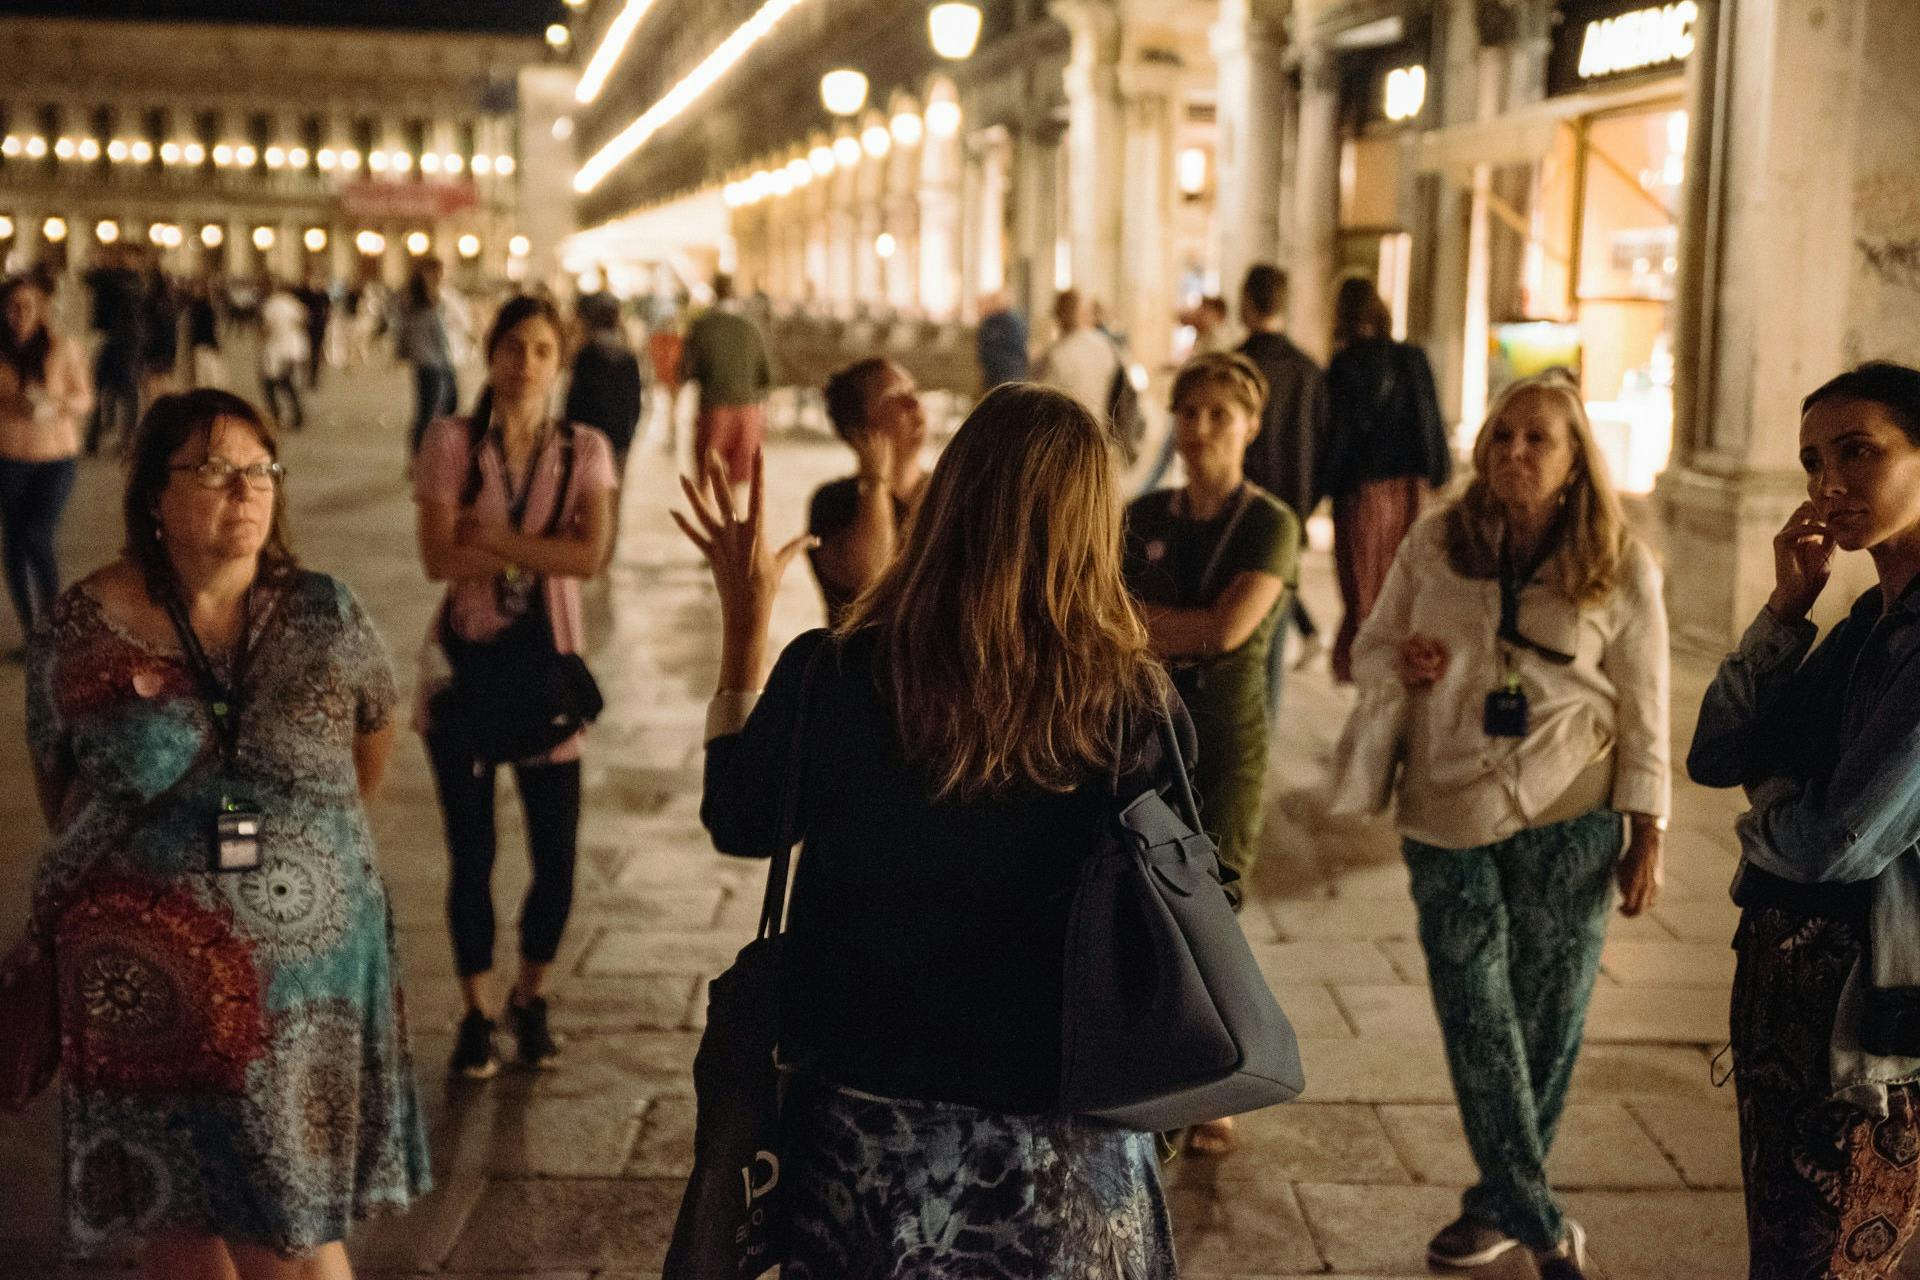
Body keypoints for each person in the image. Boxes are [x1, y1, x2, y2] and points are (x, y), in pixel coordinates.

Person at [679, 382, 1184, 1278]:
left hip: (870, 1147)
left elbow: (739, 820)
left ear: (950, 500)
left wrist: (746, 631)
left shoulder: (836, 674)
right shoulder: (1133, 702)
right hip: (1070, 1152)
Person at [24, 388, 430, 1278]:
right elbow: (62, 796)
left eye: (259, 471)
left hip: (305, 996)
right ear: (153, 496)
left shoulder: (326, 612)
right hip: (147, 990)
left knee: (290, 1228)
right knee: (177, 1226)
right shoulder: (81, 626)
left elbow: (368, 758)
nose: (244, 491)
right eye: (213, 471)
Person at [1349, 372, 1668, 1279]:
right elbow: (1370, 645)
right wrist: (1401, 660)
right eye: (1502, 437)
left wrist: (1649, 829)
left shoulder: (1618, 559)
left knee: (1545, 1023)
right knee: (1478, 1016)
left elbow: (1648, 703)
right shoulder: (1435, 540)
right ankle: (1540, 1221)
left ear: (1574, 465)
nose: (1515, 453)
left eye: (1539, 440)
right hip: (1446, 807)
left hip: (1573, 812)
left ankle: (1499, 1203)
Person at [1688, 362, 1920, 1278]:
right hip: (1792, 999)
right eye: (1813, 461)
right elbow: (1716, 756)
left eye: (1859, 452)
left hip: (1872, 1022)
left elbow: (1838, 841)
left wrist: (1774, 801)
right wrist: (1788, 606)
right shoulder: (1869, 615)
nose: (1829, 484)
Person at [413, 295, 618, 1080]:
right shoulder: (450, 442)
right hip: (461, 674)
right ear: (490, 354)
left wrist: (493, 540)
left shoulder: (586, 448)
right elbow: (437, 558)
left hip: (546, 675)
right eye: (511, 347)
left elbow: (591, 557)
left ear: (558, 360)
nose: (524, 363)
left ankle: (530, 995)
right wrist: (541, 547)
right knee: (472, 855)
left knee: (557, 859)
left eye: (539, 349)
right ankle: (476, 1010)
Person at [1122, 352, 1299, 1145]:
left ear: (1250, 426)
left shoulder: (1268, 523)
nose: (1198, 431)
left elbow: (1229, 630)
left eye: (1218, 416)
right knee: (1137, 893)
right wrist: (1169, 633)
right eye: (1188, 413)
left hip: (1226, 740)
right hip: (1141, 732)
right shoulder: (1144, 515)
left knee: (1212, 901)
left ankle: (1214, 1075)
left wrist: (1150, 630)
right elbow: (1103, 615)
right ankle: (1166, 1070)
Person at [1319, 276, 1450, 682]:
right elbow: (1431, 422)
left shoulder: (1343, 366)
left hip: (1361, 495)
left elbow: (1337, 436)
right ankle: (1398, 677)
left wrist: (1325, 484)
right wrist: (1439, 473)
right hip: (1410, 490)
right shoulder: (1412, 358)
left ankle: (1372, 679)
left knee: (1364, 592)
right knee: (1406, 583)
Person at [0, 276, 92, 656]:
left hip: (56, 455)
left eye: (27, 306)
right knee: (14, 546)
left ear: (40, 310)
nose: (19, 314)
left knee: (38, 537)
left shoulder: (62, 347)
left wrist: (53, 405)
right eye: (12, 306)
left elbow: (84, 397)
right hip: (9, 455)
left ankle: (53, 629)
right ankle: (30, 630)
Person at [804, 356, 928, 626]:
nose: (915, 404)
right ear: (861, 430)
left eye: (913, 391)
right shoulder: (832, 503)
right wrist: (875, 485)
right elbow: (871, 576)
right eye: (895, 396)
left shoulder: (948, 490)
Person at [679, 274, 773, 487]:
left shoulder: (701, 326)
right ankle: (734, 518)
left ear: (714, 292)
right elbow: (766, 375)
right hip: (747, 410)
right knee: (737, 481)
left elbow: (686, 370)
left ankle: (709, 518)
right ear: (735, 292)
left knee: (707, 475)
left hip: (714, 409)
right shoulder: (751, 327)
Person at [563, 292, 645, 471]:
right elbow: (635, 400)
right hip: (619, 436)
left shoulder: (586, 354)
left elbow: (574, 399)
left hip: (588, 435)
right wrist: (629, 434)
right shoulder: (627, 356)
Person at [83, 244, 143, 457]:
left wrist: (102, 264)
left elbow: (105, 281)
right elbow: (88, 279)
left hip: (126, 340)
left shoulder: (132, 280)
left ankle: (128, 438)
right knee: (99, 388)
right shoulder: (113, 276)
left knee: (126, 389)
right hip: (109, 337)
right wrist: (98, 263)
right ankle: (95, 436)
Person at [397, 259, 459, 458]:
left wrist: (402, 353)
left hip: (423, 362)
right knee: (437, 407)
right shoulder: (429, 307)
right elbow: (438, 336)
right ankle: (425, 453)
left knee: (426, 408)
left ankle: (419, 453)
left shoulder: (409, 305)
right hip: (435, 362)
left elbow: (403, 334)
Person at [1034, 288, 1120, 423]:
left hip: (1063, 430)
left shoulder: (1058, 354)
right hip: (1097, 426)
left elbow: (1043, 399)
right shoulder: (1105, 346)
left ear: (1060, 315)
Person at [258, 279, 310, 432]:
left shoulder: (271, 304)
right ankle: (297, 416)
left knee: (270, 384)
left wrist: (261, 337)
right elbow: (304, 320)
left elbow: (268, 326)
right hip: (294, 349)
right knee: (287, 383)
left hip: (277, 350)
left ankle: (276, 416)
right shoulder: (292, 303)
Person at [975, 289, 1030, 391]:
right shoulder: (989, 323)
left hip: (1010, 372)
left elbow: (1019, 348)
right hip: (995, 373)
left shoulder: (1012, 322)